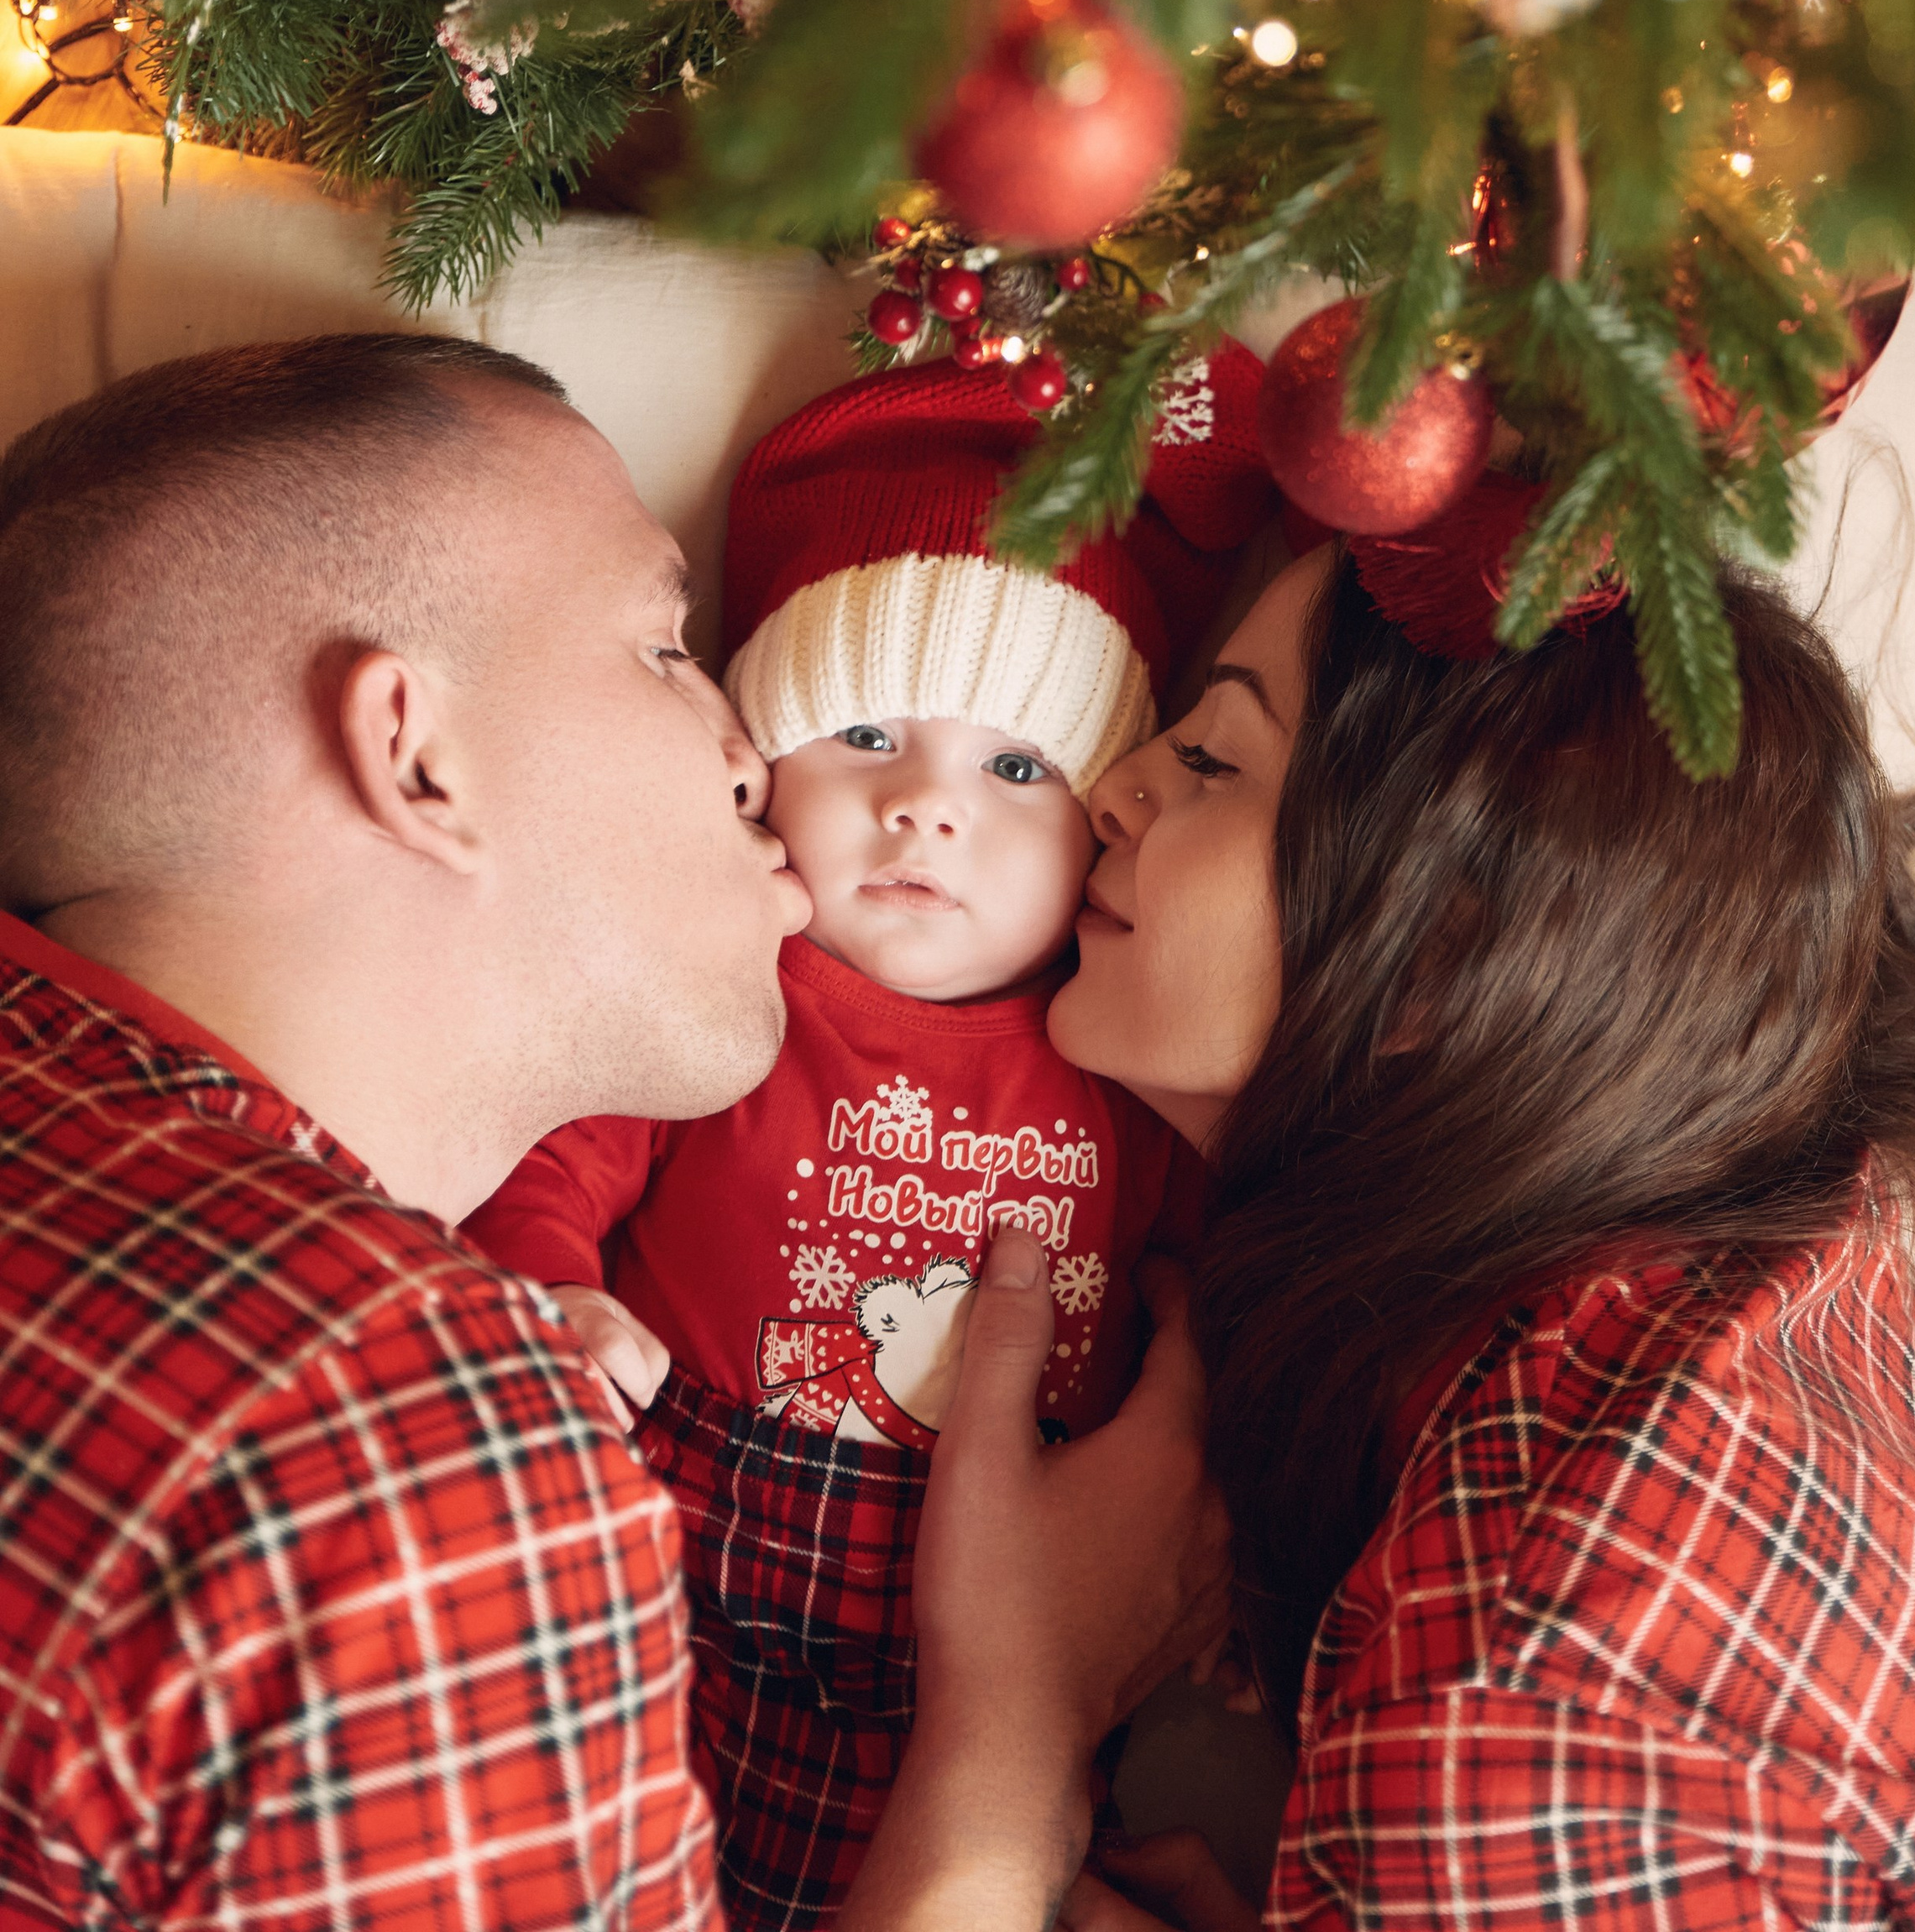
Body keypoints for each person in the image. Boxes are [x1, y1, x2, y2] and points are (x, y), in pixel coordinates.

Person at [0, 332, 1227, 1932]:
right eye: (666, 648)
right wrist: (1023, 1740)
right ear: (416, 756)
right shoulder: (397, 1456)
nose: (746, 755)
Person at [1044, 491, 1915, 1929]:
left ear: (1444, 957)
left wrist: (1013, 1715)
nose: (1113, 787)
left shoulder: (1530, 1682)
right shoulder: (1778, 1254)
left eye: (1211, 757)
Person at [468, 354, 1261, 1929]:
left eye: (1017, 767)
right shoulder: (730, 988)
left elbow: (1207, 1304)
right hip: (696, 1554)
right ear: (758, 769)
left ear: (1104, 810)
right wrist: (546, 1296)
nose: (926, 807)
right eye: (865, 736)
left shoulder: (1118, 1049)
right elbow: (556, 1155)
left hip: (992, 1608)